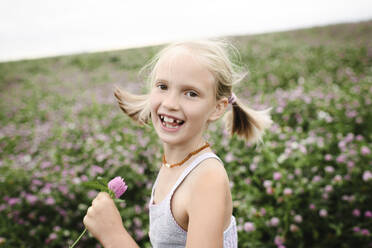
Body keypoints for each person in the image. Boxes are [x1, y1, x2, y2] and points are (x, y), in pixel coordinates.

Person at [83, 39, 273, 248]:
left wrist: (114, 236)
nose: (170, 103)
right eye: (163, 86)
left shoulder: (207, 179)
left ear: (217, 108)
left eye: (191, 93)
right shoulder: (174, 164)